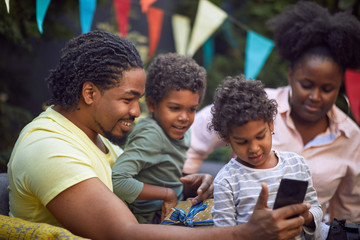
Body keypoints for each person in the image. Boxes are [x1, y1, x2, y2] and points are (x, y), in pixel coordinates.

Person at [7, 30, 310, 240]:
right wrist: (245, 234)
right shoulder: (48, 146)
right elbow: (125, 233)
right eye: (128, 99)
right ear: (89, 93)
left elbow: (136, 194)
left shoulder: (95, 141)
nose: (137, 112)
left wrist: (198, 189)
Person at [184, 1, 360, 223]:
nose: (315, 96)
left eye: (327, 89)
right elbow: (190, 135)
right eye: (306, 85)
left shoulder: (351, 137)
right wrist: (189, 184)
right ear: (290, 74)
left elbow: (348, 215)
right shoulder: (254, 103)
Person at [210, 76, 324, 239]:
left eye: (260, 136)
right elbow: (224, 233)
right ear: (227, 139)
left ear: (271, 123)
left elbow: (316, 209)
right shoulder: (227, 181)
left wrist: (304, 217)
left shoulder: (296, 164)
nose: (254, 148)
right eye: (242, 142)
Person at [112, 53, 209, 224]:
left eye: (192, 109)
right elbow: (117, 180)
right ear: (152, 105)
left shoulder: (180, 131)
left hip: (177, 209)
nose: (184, 117)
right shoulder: (151, 135)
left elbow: (167, 174)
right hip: (151, 220)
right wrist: (166, 194)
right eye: (174, 108)